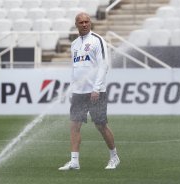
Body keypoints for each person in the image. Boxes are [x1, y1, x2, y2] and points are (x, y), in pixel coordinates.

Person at [58, 12, 120, 170]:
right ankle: (74, 161)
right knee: (74, 125)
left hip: (95, 91)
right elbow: (76, 68)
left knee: (101, 125)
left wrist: (97, 88)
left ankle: (114, 157)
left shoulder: (97, 40)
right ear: (76, 25)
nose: (84, 24)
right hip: (79, 92)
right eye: (81, 22)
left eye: (87, 21)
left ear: (90, 23)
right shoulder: (74, 44)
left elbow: (103, 65)